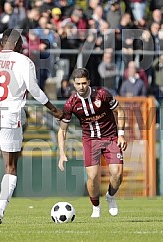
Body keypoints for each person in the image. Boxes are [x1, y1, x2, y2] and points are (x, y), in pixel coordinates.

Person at [0, 29, 63, 224]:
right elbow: (34, 89)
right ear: (15, 44)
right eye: (22, 43)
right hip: (9, 116)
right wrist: (53, 109)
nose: (23, 46)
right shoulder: (24, 61)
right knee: (10, 167)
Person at [57, 68, 127, 218]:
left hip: (110, 137)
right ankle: (96, 207)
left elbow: (120, 111)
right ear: (73, 84)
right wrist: (61, 153)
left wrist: (121, 135)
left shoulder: (102, 94)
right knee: (93, 176)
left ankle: (110, 196)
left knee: (117, 174)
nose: (81, 87)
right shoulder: (71, 103)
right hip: (90, 140)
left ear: (88, 82)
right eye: (78, 84)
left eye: (84, 83)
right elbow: (62, 130)